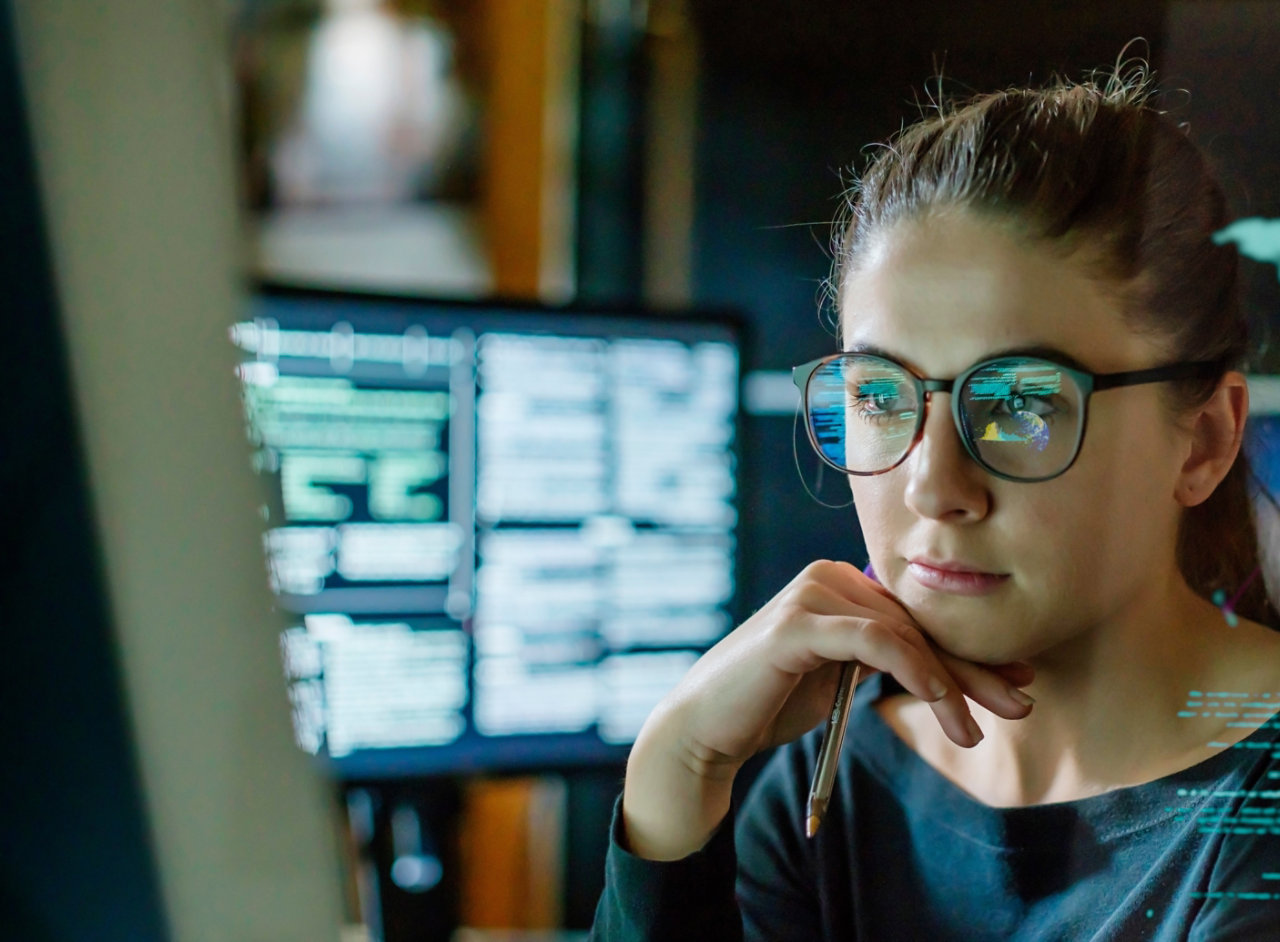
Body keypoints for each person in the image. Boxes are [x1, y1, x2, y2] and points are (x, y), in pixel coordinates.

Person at [590, 65, 1280, 941]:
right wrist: (673, 774)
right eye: (879, 398)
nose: (932, 486)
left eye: (1022, 403)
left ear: (1207, 442)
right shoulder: (832, 783)